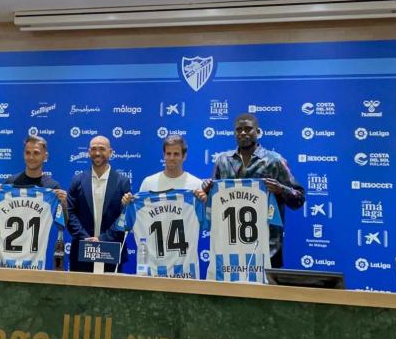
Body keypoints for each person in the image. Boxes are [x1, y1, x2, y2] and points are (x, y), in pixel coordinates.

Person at [206, 113, 305, 268]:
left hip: (268, 248)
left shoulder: (274, 160)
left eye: (248, 129)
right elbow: (214, 202)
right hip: (230, 246)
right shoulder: (222, 161)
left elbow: (299, 199)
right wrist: (207, 190)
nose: (243, 133)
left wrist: (281, 189)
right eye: (239, 130)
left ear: (258, 132)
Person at [67, 135, 131, 272]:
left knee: (110, 293)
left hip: (111, 251)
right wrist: (87, 239)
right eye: (94, 149)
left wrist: (102, 239)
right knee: (79, 293)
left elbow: (124, 217)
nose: (97, 153)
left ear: (110, 152)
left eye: (102, 149)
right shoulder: (77, 180)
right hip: (82, 251)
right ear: (89, 152)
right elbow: (70, 213)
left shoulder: (123, 182)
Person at [122, 134, 206, 204]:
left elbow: (206, 216)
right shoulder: (148, 183)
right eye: (168, 153)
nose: (171, 158)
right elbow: (138, 213)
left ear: (184, 156)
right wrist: (128, 203)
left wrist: (206, 201)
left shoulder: (197, 185)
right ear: (164, 155)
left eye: (176, 154)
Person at [0, 135, 66, 204]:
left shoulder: (53, 186)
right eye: (27, 153)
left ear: (45, 156)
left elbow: (62, 221)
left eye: (36, 153)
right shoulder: (11, 182)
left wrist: (64, 204)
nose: (31, 157)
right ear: (23, 154)